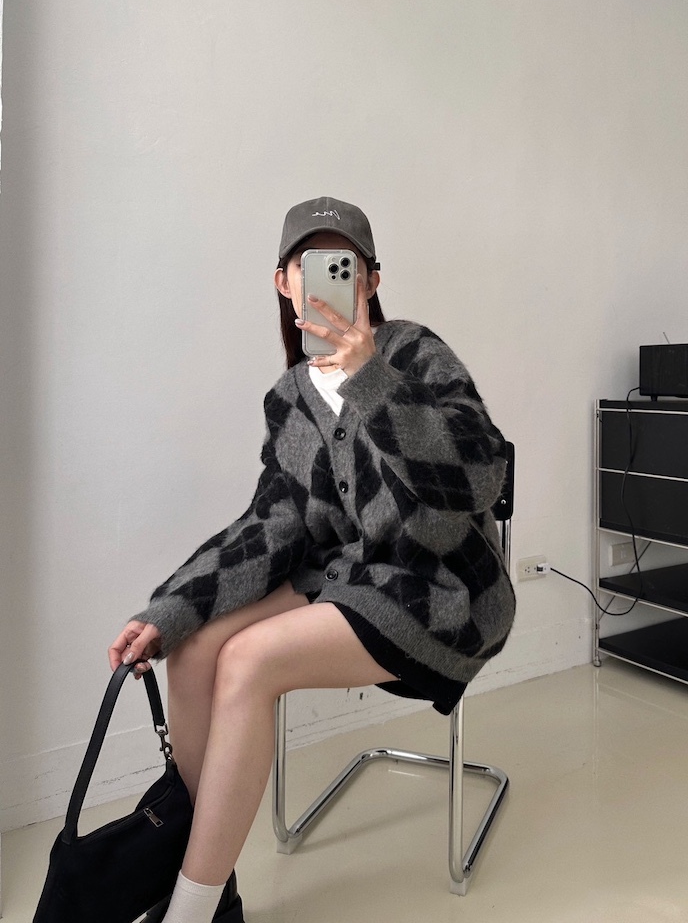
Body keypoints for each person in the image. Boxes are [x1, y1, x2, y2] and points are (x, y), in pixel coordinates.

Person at [108, 196, 516, 923]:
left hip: (441, 589)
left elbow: (480, 477)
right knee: (193, 647)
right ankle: (210, 882)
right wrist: (168, 607)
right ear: (284, 281)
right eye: (310, 263)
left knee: (250, 659)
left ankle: (190, 913)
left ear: (370, 279)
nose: (326, 276)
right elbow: (272, 526)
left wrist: (371, 379)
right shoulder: (290, 398)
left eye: (344, 264)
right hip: (348, 579)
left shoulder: (414, 352)